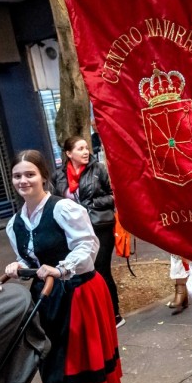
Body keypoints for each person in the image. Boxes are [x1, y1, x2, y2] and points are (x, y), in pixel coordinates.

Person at [4, 150, 122, 383]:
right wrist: (17, 267)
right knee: (69, 357)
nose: (23, 180)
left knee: (80, 361)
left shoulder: (63, 209)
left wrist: (63, 268)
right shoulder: (15, 222)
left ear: (43, 176)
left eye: (30, 174)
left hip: (79, 292)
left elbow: (88, 245)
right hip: (49, 297)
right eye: (18, 175)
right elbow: (31, 258)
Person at [52, 136, 123, 327]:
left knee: (100, 270)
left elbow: (113, 195)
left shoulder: (98, 170)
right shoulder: (58, 175)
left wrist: (90, 204)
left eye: (86, 148)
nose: (85, 152)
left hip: (99, 226)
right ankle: (94, 314)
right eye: (80, 149)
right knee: (81, 272)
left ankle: (114, 314)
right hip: (74, 231)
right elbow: (55, 201)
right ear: (68, 153)